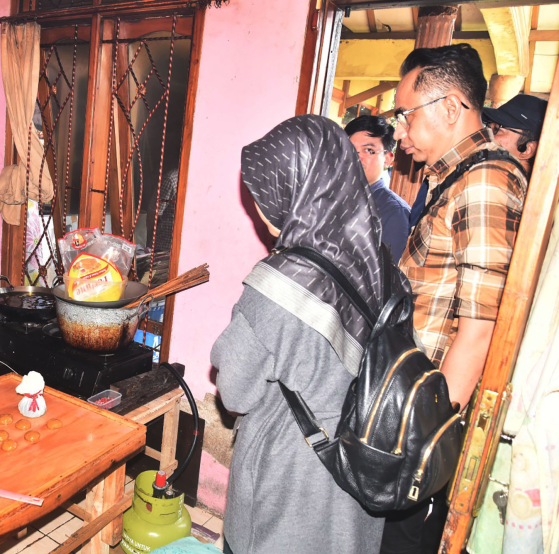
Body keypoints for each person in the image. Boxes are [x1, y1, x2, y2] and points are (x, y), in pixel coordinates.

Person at [212, 115, 411, 553]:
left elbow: (235, 392)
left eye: (264, 189)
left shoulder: (278, 283)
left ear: (294, 187)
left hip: (288, 485)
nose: (258, 204)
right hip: (360, 476)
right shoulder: (381, 265)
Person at [384, 44, 528, 554]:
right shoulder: (454, 179)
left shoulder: (486, 180)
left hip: (431, 419)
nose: (398, 129)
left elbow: (481, 327)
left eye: (405, 113)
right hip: (414, 403)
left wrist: (427, 446)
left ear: (450, 107)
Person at [345, 116, 410, 261]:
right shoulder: (332, 198)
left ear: (388, 158)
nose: (357, 157)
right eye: (350, 149)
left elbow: (389, 276)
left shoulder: (395, 213)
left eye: (368, 150)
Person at [483, 93, 547, 177]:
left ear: (528, 150)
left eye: (497, 129)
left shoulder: (499, 186)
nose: (485, 134)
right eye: (487, 127)